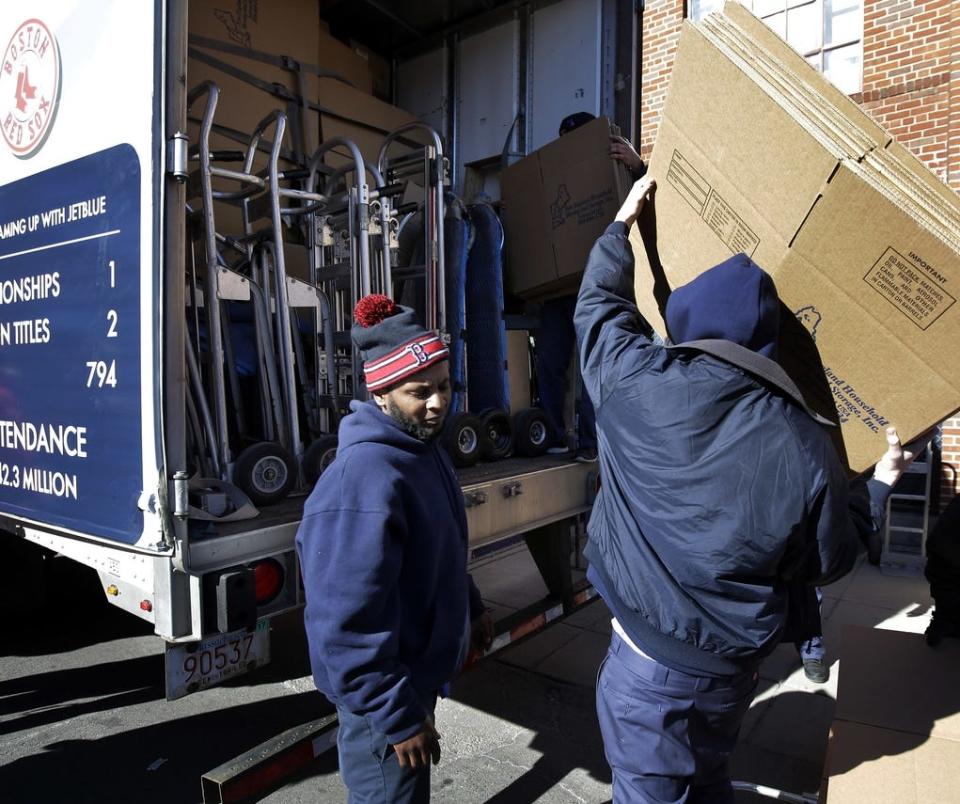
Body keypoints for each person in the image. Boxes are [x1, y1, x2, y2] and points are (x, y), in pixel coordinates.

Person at [575, 177, 916, 803]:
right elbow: (829, 560)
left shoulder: (634, 382)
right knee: (708, 782)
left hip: (646, 668)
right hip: (731, 674)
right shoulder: (807, 443)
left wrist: (619, 227)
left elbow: (597, 307)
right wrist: (880, 485)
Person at [296, 294, 493, 804]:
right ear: (381, 393)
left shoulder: (421, 451)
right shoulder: (361, 481)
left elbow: (438, 550)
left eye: (445, 387)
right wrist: (397, 716)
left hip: (409, 685)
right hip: (383, 708)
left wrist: (471, 607)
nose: (437, 402)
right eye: (418, 391)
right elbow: (343, 624)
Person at [535, 112, 646, 462]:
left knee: (592, 364)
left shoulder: (619, 161)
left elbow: (655, 194)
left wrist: (639, 166)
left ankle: (590, 443)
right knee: (549, 360)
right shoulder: (551, 175)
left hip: (598, 280)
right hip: (558, 287)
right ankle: (555, 434)